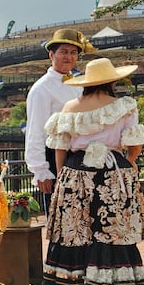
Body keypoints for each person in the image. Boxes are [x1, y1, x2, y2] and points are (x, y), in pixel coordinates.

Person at [41, 57, 144, 285]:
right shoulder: (124, 106)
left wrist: (62, 176)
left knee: (77, 227)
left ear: (86, 83)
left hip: (77, 171)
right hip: (114, 172)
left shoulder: (69, 108)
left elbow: (61, 147)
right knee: (112, 226)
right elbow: (135, 145)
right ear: (112, 81)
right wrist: (129, 162)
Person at [26, 28, 89, 197]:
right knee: (57, 213)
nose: (68, 57)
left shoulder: (78, 84)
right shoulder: (41, 89)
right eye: (63, 52)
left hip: (78, 156)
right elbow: (36, 130)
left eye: (73, 52)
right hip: (53, 156)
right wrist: (40, 169)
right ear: (51, 55)